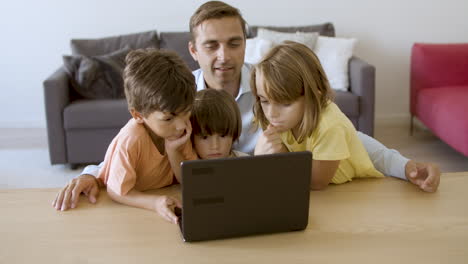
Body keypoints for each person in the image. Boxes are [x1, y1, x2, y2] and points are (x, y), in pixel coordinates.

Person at [52, 1, 440, 211]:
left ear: (246, 43)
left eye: (234, 43)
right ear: (193, 50)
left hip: (279, 202)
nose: (224, 56)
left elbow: (342, 134)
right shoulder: (176, 95)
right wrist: (93, 174)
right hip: (201, 203)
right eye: (211, 45)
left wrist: (401, 164)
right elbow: (138, 141)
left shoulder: (271, 87)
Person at [251, 41, 440, 190]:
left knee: (384, 157)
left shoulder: (330, 125)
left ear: (313, 97)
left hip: (355, 186)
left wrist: (280, 156)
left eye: (285, 103)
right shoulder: (275, 117)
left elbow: (317, 182)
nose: (271, 113)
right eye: (264, 100)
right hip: (324, 178)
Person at [53, 48, 198, 224]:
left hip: (162, 199)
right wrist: (155, 203)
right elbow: (117, 191)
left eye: (187, 111)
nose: (182, 124)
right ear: (138, 115)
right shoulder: (133, 137)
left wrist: (174, 150)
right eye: (168, 118)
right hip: (127, 206)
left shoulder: (178, 131)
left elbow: (190, 181)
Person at [191, 89, 248, 159]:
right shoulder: (185, 163)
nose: (215, 146)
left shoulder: (244, 160)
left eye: (222, 136)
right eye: (204, 137)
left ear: (234, 134)